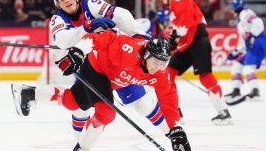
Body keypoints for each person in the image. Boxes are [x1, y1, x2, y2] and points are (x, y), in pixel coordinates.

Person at [10, 0, 189, 150]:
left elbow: (121, 15)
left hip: (117, 59)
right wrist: (85, 29)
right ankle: (80, 141)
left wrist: (139, 37)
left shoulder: (91, 5)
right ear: (57, 3)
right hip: (87, 59)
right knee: (80, 108)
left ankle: (172, 136)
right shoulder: (58, 19)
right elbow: (64, 41)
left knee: (143, 104)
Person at [56, 30, 190, 151]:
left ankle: (171, 134)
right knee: (91, 109)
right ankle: (82, 147)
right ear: (147, 55)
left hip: (123, 77)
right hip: (100, 69)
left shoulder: (159, 71)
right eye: (156, 62)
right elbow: (100, 39)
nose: (159, 67)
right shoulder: (128, 49)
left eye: (163, 63)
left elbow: (168, 96)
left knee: (143, 105)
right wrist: (79, 50)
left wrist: (176, 128)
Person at [158, 0, 232, 125]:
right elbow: (181, 28)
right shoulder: (173, 7)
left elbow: (186, 19)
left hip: (197, 42)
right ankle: (175, 112)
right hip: (186, 46)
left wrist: (177, 35)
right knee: (169, 73)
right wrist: (175, 40)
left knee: (206, 77)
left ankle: (224, 112)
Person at [224, 0, 266, 104]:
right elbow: (244, 42)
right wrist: (235, 51)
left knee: (248, 67)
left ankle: (255, 91)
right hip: (254, 45)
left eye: (231, 7)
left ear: (235, 8)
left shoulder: (245, 13)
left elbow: (258, 22)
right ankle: (236, 90)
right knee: (237, 65)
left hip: (260, 43)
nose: (230, 10)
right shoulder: (240, 24)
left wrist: (252, 34)